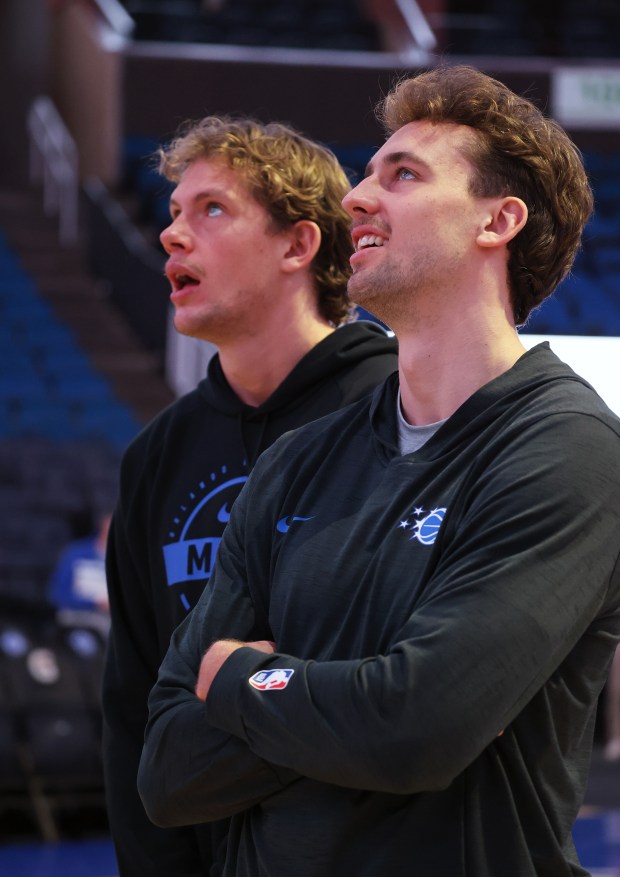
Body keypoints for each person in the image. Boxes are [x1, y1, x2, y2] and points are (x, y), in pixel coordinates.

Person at [138, 66, 620, 876]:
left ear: (497, 220)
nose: (356, 197)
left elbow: (414, 732)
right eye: (366, 173)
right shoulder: (299, 459)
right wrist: (367, 694)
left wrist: (237, 680)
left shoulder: (569, 448)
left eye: (401, 175)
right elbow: (167, 770)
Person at [101, 116, 398, 876]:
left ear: (299, 245)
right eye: (173, 213)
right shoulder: (156, 456)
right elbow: (134, 710)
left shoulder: (400, 409)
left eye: (211, 210)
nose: (172, 235)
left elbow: (408, 689)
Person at [48, 510, 111, 635]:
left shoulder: (130, 558)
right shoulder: (76, 553)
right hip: (77, 616)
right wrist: (94, 603)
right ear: (103, 524)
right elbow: (57, 594)